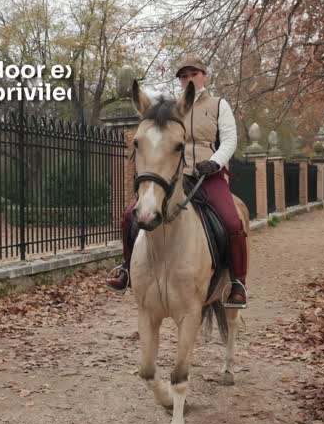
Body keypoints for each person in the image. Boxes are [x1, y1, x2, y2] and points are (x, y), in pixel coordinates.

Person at [105, 56, 248, 309]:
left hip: (207, 174)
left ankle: (237, 282)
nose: (188, 79)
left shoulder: (218, 105)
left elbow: (229, 140)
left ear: (204, 75)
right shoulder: (170, 108)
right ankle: (127, 269)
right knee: (130, 215)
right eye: (183, 75)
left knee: (232, 221)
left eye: (193, 73)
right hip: (172, 175)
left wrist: (215, 162)